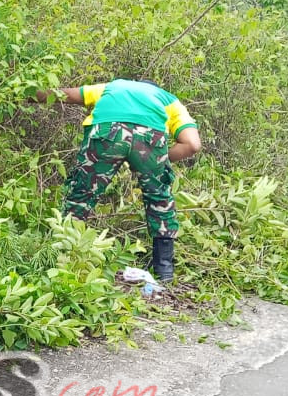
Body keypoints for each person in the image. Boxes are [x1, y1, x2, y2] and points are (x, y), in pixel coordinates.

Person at [35, 79, 202, 284]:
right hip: (150, 136)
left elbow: (65, 94)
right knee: (159, 199)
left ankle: (61, 263)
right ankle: (164, 271)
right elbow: (193, 144)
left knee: (81, 196)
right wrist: (155, 161)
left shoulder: (112, 87)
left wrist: (26, 94)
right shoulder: (169, 100)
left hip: (107, 131)